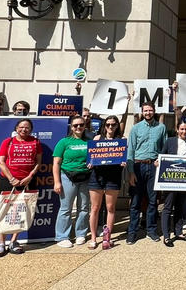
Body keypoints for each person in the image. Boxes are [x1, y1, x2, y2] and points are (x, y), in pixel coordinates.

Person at [0, 118, 42, 257]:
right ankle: (1, 243)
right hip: (7, 180)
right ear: (16, 128)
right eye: (21, 127)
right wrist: (11, 178)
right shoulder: (8, 142)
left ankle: (14, 241)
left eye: (27, 127)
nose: (24, 129)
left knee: (21, 211)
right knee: (4, 210)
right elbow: (1, 161)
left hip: (27, 181)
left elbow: (38, 162)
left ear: (31, 130)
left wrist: (30, 176)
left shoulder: (35, 142)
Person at [126, 102, 168, 244]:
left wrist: (160, 160)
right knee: (136, 201)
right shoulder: (136, 128)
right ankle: (132, 232)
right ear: (142, 112)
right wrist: (131, 172)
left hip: (153, 167)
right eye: (145, 110)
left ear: (154, 111)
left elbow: (164, 148)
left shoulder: (161, 128)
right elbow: (130, 151)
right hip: (138, 166)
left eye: (150, 110)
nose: (148, 113)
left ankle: (151, 230)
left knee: (152, 201)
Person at [86, 115, 124, 250]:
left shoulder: (121, 140)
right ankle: (93, 238)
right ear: (104, 126)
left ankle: (107, 238)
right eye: (108, 124)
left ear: (117, 126)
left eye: (113, 124)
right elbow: (90, 157)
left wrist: (123, 162)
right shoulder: (97, 139)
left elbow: (124, 158)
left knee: (111, 208)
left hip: (113, 177)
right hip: (97, 176)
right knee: (95, 208)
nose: (110, 127)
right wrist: (89, 163)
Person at [53, 115, 90, 248]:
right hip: (67, 177)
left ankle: (81, 233)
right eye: (75, 125)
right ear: (71, 127)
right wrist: (57, 182)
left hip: (85, 177)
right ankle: (62, 236)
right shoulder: (64, 142)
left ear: (85, 126)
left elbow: (94, 159)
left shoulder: (89, 141)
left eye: (81, 125)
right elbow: (56, 163)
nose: (78, 127)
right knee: (66, 208)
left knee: (84, 208)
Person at [159, 121, 186, 247]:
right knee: (168, 207)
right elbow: (162, 156)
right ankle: (166, 235)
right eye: (181, 129)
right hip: (170, 179)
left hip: (185, 181)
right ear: (177, 129)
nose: (184, 131)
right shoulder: (170, 141)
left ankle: (178, 232)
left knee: (181, 206)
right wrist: (158, 162)